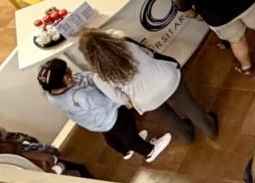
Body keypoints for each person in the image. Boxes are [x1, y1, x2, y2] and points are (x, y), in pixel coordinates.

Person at [78, 27, 218, 143]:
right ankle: (209, 128)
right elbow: (116, 33)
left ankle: (186, 136)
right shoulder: (126, 43)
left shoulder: (100, 78)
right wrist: (91, 33)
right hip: (167, 79)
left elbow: (121, 100)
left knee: (167, 119)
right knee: (189, 105)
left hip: (146, 99)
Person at [38, 57, 172, 163]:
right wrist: (117, 95)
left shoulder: (53, 95)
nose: (73, 77)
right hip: (112, 115)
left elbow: (82, 79)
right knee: (129, 133)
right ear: (62, 82)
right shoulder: (82, 96)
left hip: (97, 122)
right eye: (68, 77)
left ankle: (125, 151)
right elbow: (106, 102)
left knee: (112, 136)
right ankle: (149, 151)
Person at [0, 122, 92, 177]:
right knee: (80, 169)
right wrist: (59, 167)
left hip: (52, 164)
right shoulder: (14, 160)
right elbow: (42, 177)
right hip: (56, 174)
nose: (0, 127)